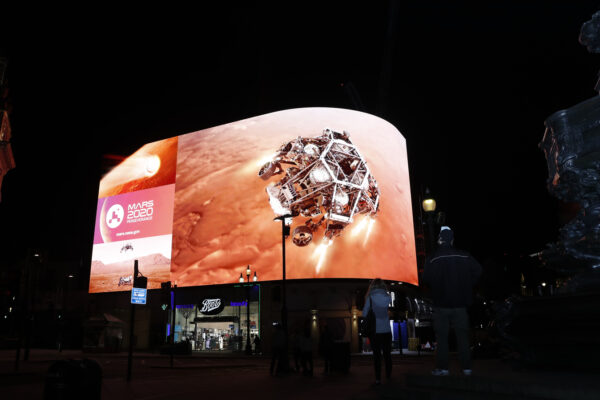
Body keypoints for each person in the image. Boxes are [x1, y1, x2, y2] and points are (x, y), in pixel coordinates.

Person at [423, 226, 482, 377]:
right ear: (452, 239)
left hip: (440, 304)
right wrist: (467, 285)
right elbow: (478, 271)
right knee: (462, 337)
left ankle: (443, 368)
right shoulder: (464, 256)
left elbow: (425, 279)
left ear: (440, 239)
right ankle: (466, 368)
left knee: (442, 338)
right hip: (460, 304)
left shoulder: (432, 258)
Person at [362, 278, 392, 386]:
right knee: (387, 354)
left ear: (373, 286)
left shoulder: (370, 298)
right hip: (387, 330)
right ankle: (388, 375)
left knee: (377, 356)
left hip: (375, 331)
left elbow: (364, 314)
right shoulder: (387, 297)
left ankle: (378, 379)